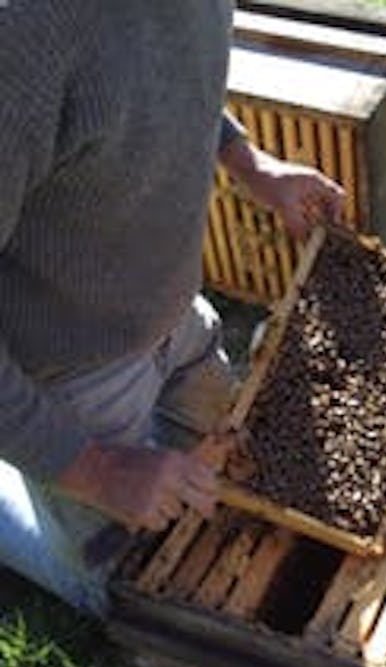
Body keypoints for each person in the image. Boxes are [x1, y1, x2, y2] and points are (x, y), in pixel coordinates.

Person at [0, 2, 345, 616]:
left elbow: (170, 77)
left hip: (179, 323)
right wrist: (92, 469)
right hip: (71, 381)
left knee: (238, 480)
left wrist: (251, 163)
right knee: (124, 592)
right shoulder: (22, 41)